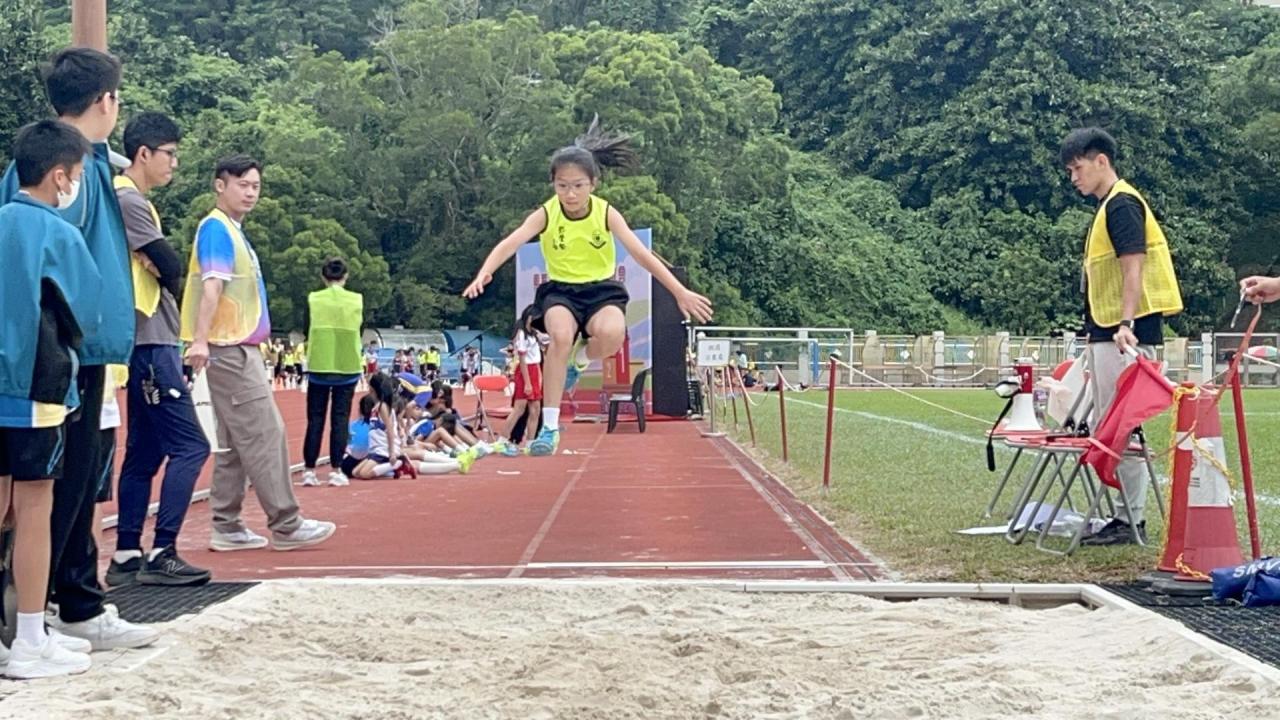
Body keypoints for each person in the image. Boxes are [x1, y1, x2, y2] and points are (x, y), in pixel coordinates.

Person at [1, 48, 158, 651]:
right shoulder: (74, 167)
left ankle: (62, 603)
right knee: (61, 485)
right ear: (106, 101)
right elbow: (55, 263)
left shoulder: (50, 160)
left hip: (54, 349)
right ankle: (67, 605)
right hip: (64, 351)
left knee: (60, 485)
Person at [464, 117, 714, 455]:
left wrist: (679, 291)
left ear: (593, 184)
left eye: (578, 186)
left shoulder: (606, 213)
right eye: (562, 186)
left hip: (601, 291)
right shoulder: (547, 214)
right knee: (560, 336)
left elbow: (642, 255)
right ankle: (550, 429)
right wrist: (485, 272)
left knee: (612, 335)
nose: (570, 194)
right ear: (553, 184)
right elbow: (512, 241)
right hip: (560, 292)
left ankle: (579, 361)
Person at [181, 154, 336, 551]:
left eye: (255, 186)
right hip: (229, 346)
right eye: (243, 185)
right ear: (220, 186)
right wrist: (200, 340)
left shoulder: (230, 230)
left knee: (236, 441)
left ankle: (227, 525)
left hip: (235, 344)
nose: (251, 193)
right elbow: (212, 285)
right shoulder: (217, 228)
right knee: (266, 432)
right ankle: (286, 523)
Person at [0, 120, 103, 678]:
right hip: (36, 385)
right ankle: (30, 638)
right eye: (78, 174)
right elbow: (88, 313)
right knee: (35, 508)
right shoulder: (57, 233)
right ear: (61, 176)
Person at [1060, 127, 1182, 546]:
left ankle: (1131, 520)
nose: (1074, 178)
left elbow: (1134, 267)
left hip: (1124, 335)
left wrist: (1125, 324)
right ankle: (1122, 516)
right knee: (1108, 424)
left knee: (1122, 426)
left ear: (1101, 161)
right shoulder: (1108, 206)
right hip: (1108, 331)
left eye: (1077, 168)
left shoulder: (1122, 205)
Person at [108, 112, 212, 587]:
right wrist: (166, 270)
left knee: (144, 454)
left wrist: (162, 266)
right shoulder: (128, 198)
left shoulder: (133, 199)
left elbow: (161, 264)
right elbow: (170, 266)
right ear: (143, 153)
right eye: (169, 154)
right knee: (192, 446)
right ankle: (163, 551)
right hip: (151, 342)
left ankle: (127, 552)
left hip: (151, 340)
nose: (175, 163)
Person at [301, 257, 364, 488]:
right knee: (340, 419)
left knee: (315, 419)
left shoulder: (314, 298)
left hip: (320, 363)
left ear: (323, 276)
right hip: (347, 365)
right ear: (345, 276)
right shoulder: (356, 300)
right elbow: (361, 328)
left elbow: (306, 327)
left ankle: (309, 471)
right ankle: (336, 470)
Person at [502, 305, 544, 452]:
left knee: (535, 409)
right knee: (519, 409)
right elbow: (522, 358)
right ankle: (502, 439)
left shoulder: (534, 334)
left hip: (535, 369)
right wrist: (527, 383)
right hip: (526, 370)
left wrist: (538, 378)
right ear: (529, 317)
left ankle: (530, 442)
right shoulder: (521, 334)